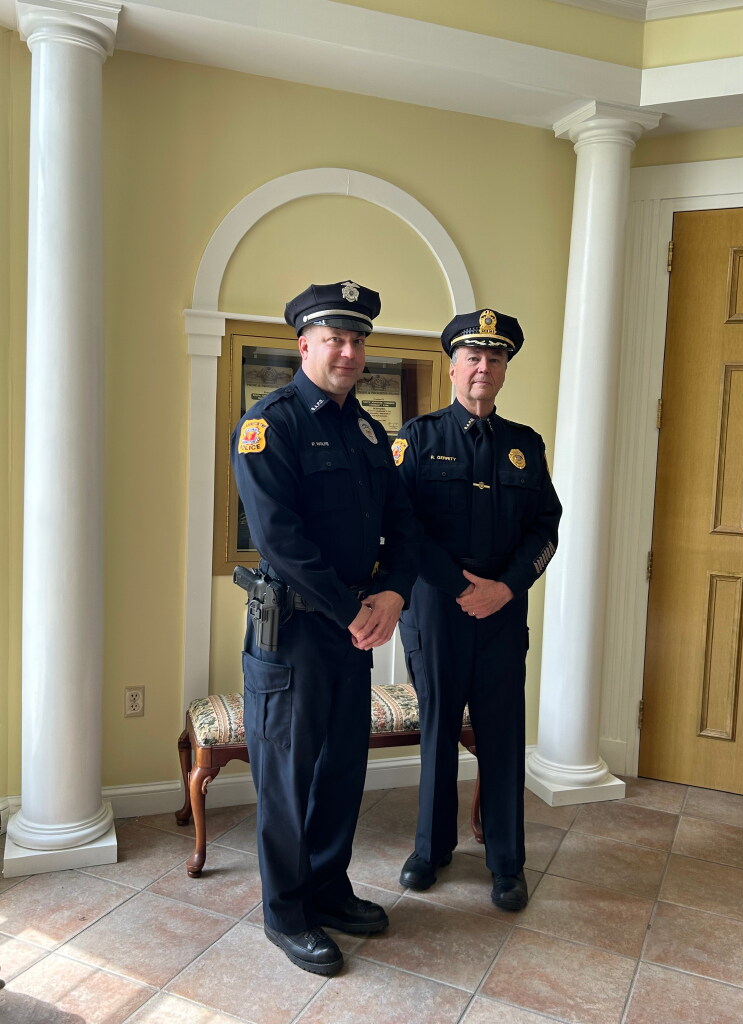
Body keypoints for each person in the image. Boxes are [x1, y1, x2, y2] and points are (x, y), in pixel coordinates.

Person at [231, 281, 414, 975]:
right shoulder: (269, 424)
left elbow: (403, 525)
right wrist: (355, 609)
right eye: (334, 338)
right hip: (297, 633)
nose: (348, 350)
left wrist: (393, 592)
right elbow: (280, 539)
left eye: (357, 339)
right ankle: (288, 913)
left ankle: (329, 890)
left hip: (354, 630)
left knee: (341, 769)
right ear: (304, 345)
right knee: (286, 777)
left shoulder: (368, 432)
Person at [392, 308, 562, 911]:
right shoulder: (416, 439)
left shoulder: (524, 445)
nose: (483, 368)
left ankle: (506, 861)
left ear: (505, 369)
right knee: (438, 729)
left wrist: (508, 587)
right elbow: (401, 528)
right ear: (453, 366)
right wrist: (462, 586)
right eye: (473, 357)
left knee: (501, 733)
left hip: (502, 613)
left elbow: (547, 527)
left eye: (495, 358)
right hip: (437, 609)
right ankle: (430, 849)